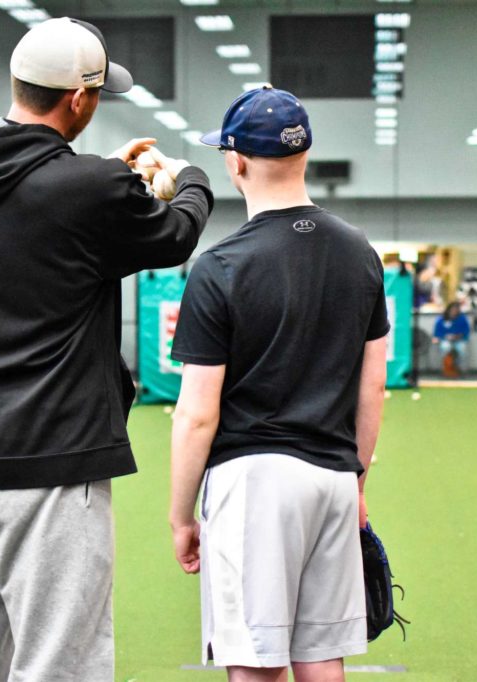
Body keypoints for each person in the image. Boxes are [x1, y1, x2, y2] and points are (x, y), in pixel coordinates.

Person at [0, 18, 213, 681]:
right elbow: (176, 233)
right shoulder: (90, 187)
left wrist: (113, 182)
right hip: (47, 462)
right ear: (78, 99)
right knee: (58, 667)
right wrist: (187, 179)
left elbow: (44, 214)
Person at [167, 86, 388, 682]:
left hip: (254, 482)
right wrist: (357, 479)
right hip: (334, 479)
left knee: (255, 664)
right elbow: (373, 389)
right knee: (321, 657)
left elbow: (196, 415)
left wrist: (179, 514)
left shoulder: (220, 265)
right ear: (305, 155)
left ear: (235, 162)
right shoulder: (361, 253)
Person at [433, 301, 470, 378]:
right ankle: (446, 369)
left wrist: (457, 336)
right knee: (445, 347)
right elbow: (437, 333)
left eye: (456, 310)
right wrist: (442, 337)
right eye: (453, 309)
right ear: (449, 309)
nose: (454, 311)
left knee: (462, 349)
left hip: (459, 340)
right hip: (445, 340)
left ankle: (461, 370)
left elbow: (465, 331)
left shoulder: (462, 319)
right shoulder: (441, 319)